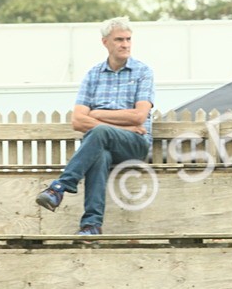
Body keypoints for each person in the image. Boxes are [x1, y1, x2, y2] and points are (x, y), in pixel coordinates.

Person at [35, 17, 155, 237]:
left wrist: (97, 114)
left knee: (99, 131)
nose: (125, 44)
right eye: (119, 40)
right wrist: (123, 126)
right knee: (99, 155)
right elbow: (78, 121)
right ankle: (91, 225)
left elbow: (139, 116)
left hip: (135, 144)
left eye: (128, 39)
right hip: (105, 143)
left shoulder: (143, 72)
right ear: (105, 42)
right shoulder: (93, 75)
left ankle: (60, 187)